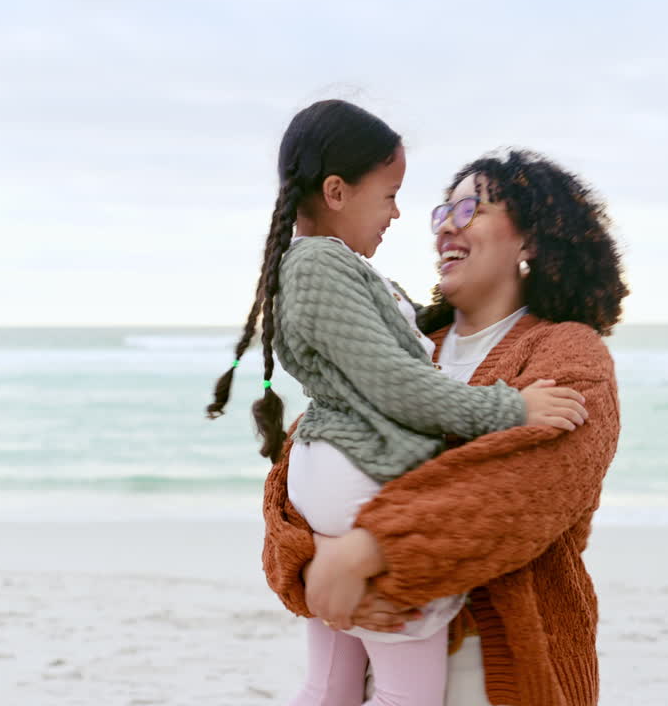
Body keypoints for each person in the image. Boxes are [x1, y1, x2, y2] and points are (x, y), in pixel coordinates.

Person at [206, 101, 588, 706]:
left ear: (531, 238)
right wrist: (311, 564)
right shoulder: (414, 335)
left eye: (472, 208)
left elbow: (522, 494)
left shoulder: (567, 355)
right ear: (337, 190)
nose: (438, 223)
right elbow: (299, 475)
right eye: (443, 207)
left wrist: (366, 553)